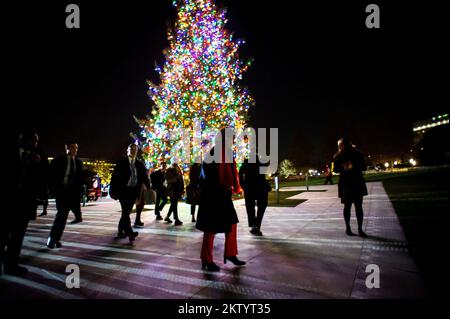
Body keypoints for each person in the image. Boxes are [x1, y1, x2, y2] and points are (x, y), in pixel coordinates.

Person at [196, 130, 246, 272]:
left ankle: (230, 254)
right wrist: (222, 187)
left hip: (222, 195)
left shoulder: (225, 152)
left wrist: (233, 187)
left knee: (232, 223)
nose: (233, 140)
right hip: (213, 196)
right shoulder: (215, 152)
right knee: (210, 228)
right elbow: (209, 175)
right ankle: (206, 259)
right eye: (231, 138)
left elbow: (230, 171)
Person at [1, 132, 41, 276]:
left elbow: (38, 181)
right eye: (32, 140)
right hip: (7, 202)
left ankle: (11, 266)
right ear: (22, 139)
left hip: (24, 204)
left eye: (36, 141)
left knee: (17, 237)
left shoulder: (35, 158)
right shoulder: (9, 153)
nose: (34, 143)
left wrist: (37, 164)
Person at [110, 144, 150, 242]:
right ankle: (130, 233)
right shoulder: (121, 162)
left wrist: (149, 187)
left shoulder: (139, 164)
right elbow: (115, 177)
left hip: (133, 191)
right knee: (125, 211)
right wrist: (113, 191)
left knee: (125, 213)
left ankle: (120, 231)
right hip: (123, 191)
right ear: (127, 150)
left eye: (135, 149)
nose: (133, 151)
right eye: (131, 149)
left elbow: (144, 177)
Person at [47, 141, 84, 249]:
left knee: (63, 215)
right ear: (66, 148)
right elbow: (51, 175)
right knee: (61, 216)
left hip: (73, 193)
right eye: (72, 147)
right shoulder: (58, 161)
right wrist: (54, 189)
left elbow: (79, 178)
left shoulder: (78, 162)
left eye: (76, 148)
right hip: (62, 191)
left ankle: (55, 238)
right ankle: (53, 239)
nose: (75, 150)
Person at [333, 138, 368, 237]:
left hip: (354, 182)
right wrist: (343, 167)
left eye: (340, 145)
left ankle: (359, 229)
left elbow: (364, 167)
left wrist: (353, 166)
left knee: (357, 206)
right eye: (338, 145)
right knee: (349, 207)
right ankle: (349, 229)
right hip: (347, 183)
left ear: (345, 145)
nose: (339, 147)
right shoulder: (338, 156)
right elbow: (335, 170)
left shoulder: (356, 153)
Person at [239, 156, 272, 236]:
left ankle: (254, 225)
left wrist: (244, 186)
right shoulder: (260, 162)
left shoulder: (246, 163)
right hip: (258, 188)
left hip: (251, 188)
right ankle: (256, 225)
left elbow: (240, 176)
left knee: (251, 208)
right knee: (260, 207)